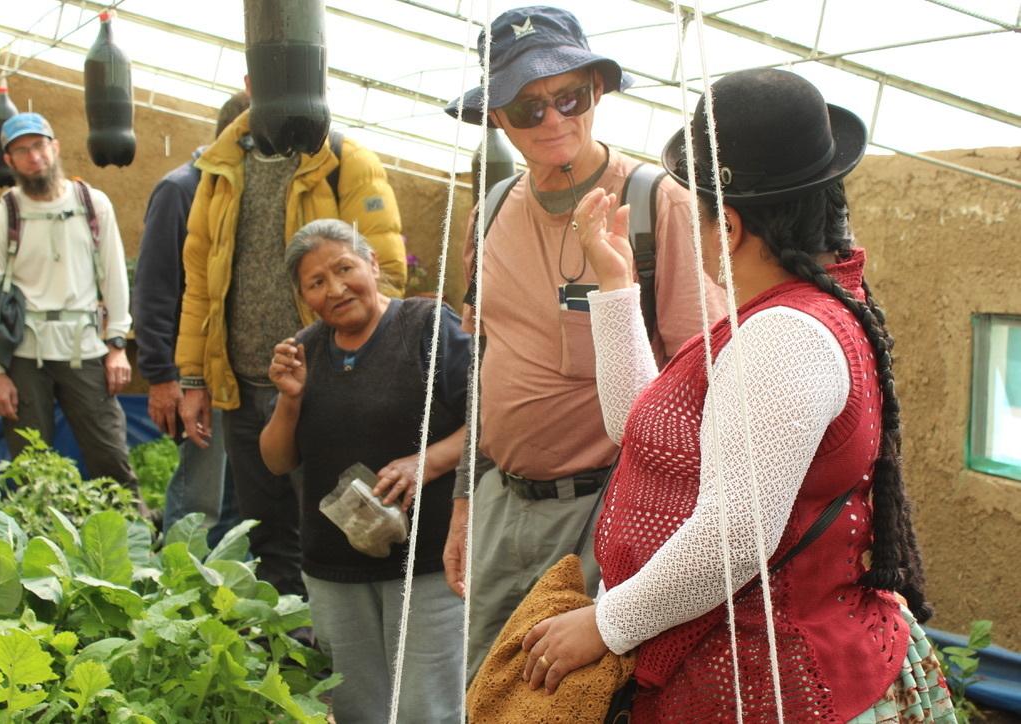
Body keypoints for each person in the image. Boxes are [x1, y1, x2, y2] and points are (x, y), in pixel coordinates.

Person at [521, 69, 956, 723]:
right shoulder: (806, 308)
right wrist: (615, 288)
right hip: (777, 667)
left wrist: (606, 625)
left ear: (725, 226)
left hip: (772, 685)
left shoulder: (784, 336)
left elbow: (733, 537)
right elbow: (635, 425)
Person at [441, 5, 724, 678]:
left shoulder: (659, 206)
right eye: (527, 107)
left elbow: (703, 376)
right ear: (494, 118)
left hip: (606, 512)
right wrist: (463, 501)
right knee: (489, 688)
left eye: (570, 96)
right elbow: (485, 363)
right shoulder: (489, 216)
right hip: (503, 507)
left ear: (597, 91)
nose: (554, 119)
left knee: (581, 697)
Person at [175, 87, 407, 597]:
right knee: (265, 531)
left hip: (323, 386)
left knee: (335, 522)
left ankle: (336, 644)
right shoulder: (220, 170)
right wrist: (193, 377)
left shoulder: (346, 161)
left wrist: (351, 366)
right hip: (242, 384)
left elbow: (384, 272)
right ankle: (285, 645)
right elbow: (199, 283)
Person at [260, 219, 468, 723]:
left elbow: (491, 421)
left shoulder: (425, 327)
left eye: (345, 268)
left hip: (427, 561)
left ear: (373, 265)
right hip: (336, 569)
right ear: (303, 295)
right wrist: (290, 401)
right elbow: (276, 459)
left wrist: (427, 461)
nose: (335, 289)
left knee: (428, 709)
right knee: (356, 711)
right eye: (316, 282)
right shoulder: (305, 351)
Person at [0, 112, 143, 508]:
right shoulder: (1, 219)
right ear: (9, 161)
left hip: (83, 348)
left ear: (55, 147)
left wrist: (117, 344)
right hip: (24, 355)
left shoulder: (92, 204)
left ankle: (136, 546)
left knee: (110, 456)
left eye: (39, 146)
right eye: (21, 151)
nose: (34, 157)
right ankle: (42, 550)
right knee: (31, 468)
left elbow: (115, 277)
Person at [133, 91, 249, 545]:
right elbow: (154, 289)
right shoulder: (181, 189)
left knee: (238, 494)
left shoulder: (243, 190)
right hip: (196, 370)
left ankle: (227, 596)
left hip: (239, 372)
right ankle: (178, 590)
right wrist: (164, 377)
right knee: (199, 492)